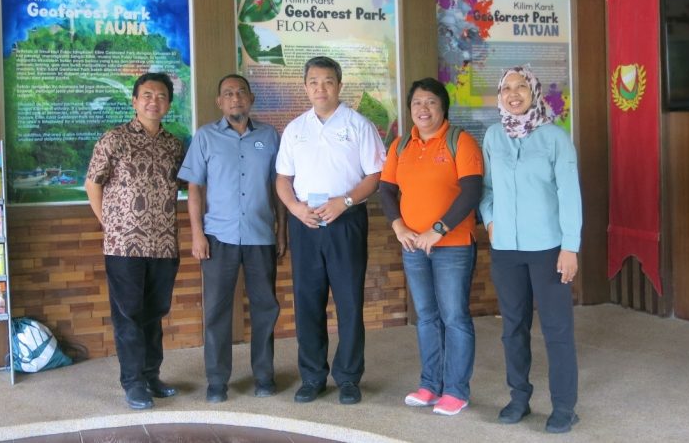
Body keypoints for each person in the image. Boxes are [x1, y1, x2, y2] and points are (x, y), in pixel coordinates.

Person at [275, 56, 386, 405]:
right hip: (306, 221)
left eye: (327, 81)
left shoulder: (358, 125)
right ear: (305, 87)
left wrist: (345, 202)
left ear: (339, 85)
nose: (320, 88)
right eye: (313, 82)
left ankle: (349, 377)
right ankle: (312, 377)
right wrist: (295, 208)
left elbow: (375, 176)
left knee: (349, 301)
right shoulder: (295, 129)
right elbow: (283, 179)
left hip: (346, 220)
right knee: (308, 301)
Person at [479, 66, 583, 434]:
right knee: (513, 327)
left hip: (548, 248)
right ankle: (519, 398)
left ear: (533, 92)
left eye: (521, 86)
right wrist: (490, 220)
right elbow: (487, 188)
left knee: (557, 329)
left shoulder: (555, 137)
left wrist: (570, 247)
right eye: (506, 87)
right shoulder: (493, 136)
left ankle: (564, 407)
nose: (513, 93)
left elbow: (569, 194)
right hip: (506, 249)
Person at [178, 74, 286, 404]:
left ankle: (264, 376)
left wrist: (282, 230)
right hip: (218, 237)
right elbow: (194, 189)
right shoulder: (205, 137)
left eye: (240, 92)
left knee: (265, 308)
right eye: (228, 93)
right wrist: (197, 234)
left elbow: (279, 188)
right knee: (216, 311)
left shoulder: (269, 136)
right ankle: (216, 381)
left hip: (260, 236)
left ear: (251, 98)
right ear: (219, 102)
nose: (235, 98)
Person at [379, 78, 484, 416]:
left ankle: (456, 390)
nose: (423, 109)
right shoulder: (400, 146)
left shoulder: (460, 141)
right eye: (417, 103)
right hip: (412, 245)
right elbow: (386, 190)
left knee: (454, 317)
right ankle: (430, 386)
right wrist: (398, 226)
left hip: (453, 245)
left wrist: (438, 230)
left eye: (431, 102)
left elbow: (472, 191)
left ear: (443, 108)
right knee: (426, 316)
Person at [85, 72, 183, 410]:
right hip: (124, 246)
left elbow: (190, 186)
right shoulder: (114, 139)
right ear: (135, 101)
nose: (154, 101)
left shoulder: (174, 145)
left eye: (161, 96)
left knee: (154, 314)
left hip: (164, 244)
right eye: (147, 95)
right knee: (128, 315)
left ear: (169, 103)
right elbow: (92, 184)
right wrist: (110, 224)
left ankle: (151, 375)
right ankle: (133, 382)